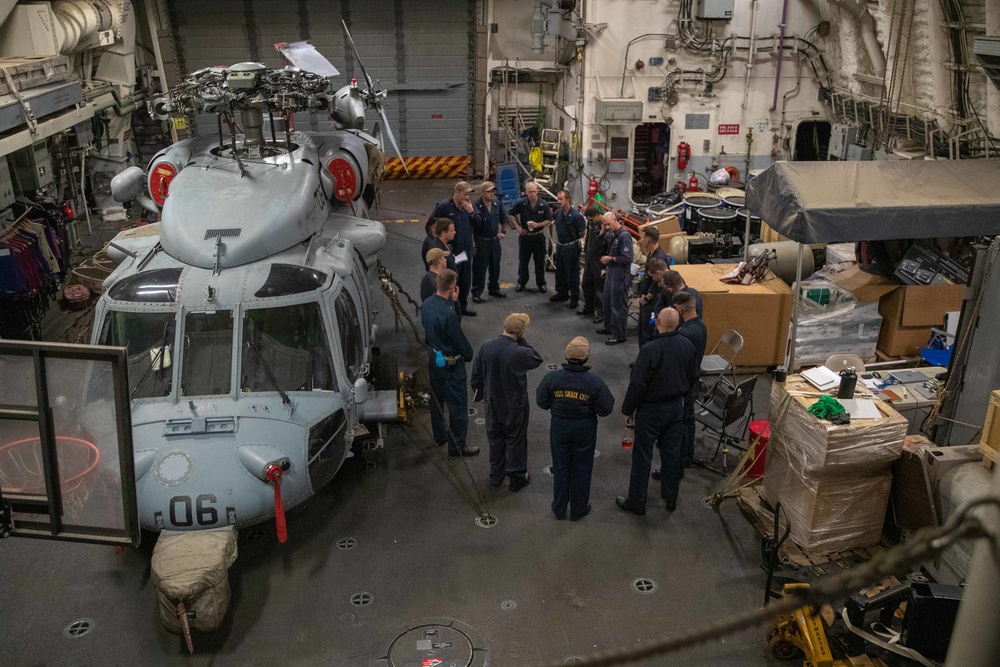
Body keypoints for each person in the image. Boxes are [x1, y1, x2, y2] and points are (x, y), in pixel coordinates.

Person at [615, 308, 698, 515]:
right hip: (675, 408)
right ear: (677, 324)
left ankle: (637, 501)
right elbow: (693, 376)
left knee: (643, 455)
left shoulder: (650, 349)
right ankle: (670, 498)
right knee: (671, 454)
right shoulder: (687, 345)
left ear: (658, 321)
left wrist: (628, 410)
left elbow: (638, 384)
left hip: (651, 410)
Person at [536, 336, 615, 521]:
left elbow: (542, 402)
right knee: (582, 466)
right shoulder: (594, 382)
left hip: (559, 426)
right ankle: (579, 509)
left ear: (566, 355)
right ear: (587, 357)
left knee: (561, 466)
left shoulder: (552, 378)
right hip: (584, 428)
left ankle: (559, 508)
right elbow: (606, 408)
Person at [471, 312, 543, 491]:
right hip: (514, 405)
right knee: (516, 439)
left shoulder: (486, 346)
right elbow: (536, 358)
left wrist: (481, 395)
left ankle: (496, 475)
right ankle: (517, 476)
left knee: (495, 438)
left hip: (492, 402)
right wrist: (522, 341)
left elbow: (476, 377)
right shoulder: (519, 352)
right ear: (519, 333)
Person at [420, 270, 479, 457]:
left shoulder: (427, 304)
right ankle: (457, 446)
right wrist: (469, 354)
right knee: (458, 407)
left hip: (434, 360)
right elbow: (459, 341)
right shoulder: (448, 314)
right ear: (453, 286)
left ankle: (440, 437)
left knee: (437, 402)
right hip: (451, 367)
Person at [429, 181, 480, 316]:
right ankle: (449, 307)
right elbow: (431, 226)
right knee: (450, 280)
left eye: (468, 194)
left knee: (465, 280)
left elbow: (479, 224)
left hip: (466, 250)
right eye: (464, 194)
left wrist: (472, 212)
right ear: (456, 193)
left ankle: (462, 305)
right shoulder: (444, 206)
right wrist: (440, 243)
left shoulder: (470, 206)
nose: (467, 197)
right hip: (451, 251)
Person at [674, 290, 707, 469]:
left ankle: (683, 458)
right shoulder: (701, 327)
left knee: (684, 421)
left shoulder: (684, 334)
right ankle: (687, 455)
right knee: (689, 419)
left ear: (680, 309)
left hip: (684, 383)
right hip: (694, 379)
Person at [508, 180, 552, 293]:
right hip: (525, 237)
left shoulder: (544, 205)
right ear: (526, 192)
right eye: (530, 192)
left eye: (534, 191)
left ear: (537, 191)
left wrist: (538, 225)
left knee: (539, 261)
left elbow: (548, 220)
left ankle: (541, 283)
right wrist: (517, 228)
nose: (532, 194)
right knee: (523, 261)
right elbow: (511, 214)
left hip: (538, 237)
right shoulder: (521, 203)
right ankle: (521, 282)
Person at [597, 212, 633, 345]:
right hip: (611, 272)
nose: (607, 227)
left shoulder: (624, 236)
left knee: (618, 305)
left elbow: (627, 258)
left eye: (608, 224)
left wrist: (610, 259)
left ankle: (619, 335)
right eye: (604, 224)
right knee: (607, 301)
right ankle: (608, 327)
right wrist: (602, 230)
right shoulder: (612, 234)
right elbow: (600, 243)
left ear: (615, 220)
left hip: (620, 274)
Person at [471, 181, 508, 303]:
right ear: (482, 193)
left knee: (495, 266)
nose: (492, 194)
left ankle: (494, 288)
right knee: (480, 268)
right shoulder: (476, 206)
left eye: (493, 191)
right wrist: (473, 241)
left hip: (494, 240)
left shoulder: (497, 203)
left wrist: (503, 230)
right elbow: (472, 225)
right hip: (482, 241)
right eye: (489, 192)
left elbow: (503, 218)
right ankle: (476, 292)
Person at [550, 190, 587, 308]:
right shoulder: (557, 213)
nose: (559, 201)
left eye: (561, 199)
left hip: (571, 247)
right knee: (560, 271)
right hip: (560, 246)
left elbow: (582, 233)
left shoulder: (576, 216)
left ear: (568, 200)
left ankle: (574, 297)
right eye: (558, 199)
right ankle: (562, 293)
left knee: (572, 274)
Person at [577, 206, 607, 321]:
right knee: (586, 283)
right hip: (590, 258)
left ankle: (600, 313)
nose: (589, 221)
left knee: (599, 287)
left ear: (597, 215)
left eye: (591, 219)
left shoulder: (605, 226)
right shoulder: (591, 224)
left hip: (599, 260)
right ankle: (589, 307)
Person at [637, 257, 668, 346]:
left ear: (659, 273)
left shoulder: (668, 285)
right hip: (657, 313)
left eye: (653, 276)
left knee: (650, 337)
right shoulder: (660, 281)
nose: (653, 279)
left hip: (662, 317)